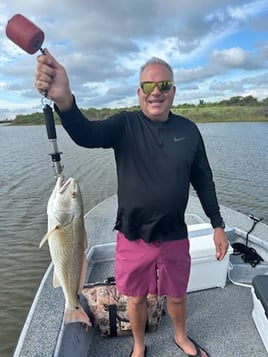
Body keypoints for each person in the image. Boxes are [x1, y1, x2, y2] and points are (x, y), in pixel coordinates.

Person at [35, 50, 229, 357]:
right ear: (139, 92)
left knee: (177, 295)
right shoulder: (125, 125)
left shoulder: (189, 131)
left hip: (175, 235)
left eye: (163, 85)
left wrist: (217, 225)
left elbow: (204, 181)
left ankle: (181, 337)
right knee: (136, 299)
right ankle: (139, 346)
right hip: (132, 235)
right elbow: (86, 134)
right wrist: (64, 100)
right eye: (148, 86)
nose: (156, 93)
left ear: (173, 91)